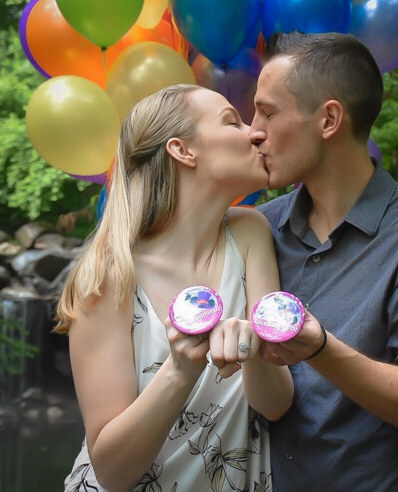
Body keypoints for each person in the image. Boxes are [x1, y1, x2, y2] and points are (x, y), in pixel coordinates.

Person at [250, 32, 398, 491]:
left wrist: (319, 349)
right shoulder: (257, 229)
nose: (253, 129)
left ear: (329, 119)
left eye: (268, 112)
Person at [55, 84, 293, 492]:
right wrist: (180, 371)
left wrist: (253, 352)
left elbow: (275, 405)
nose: (254, 133)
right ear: (183, 151)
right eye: (232, 122)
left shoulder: (250, 232)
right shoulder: (107, 277)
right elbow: (112, 472)